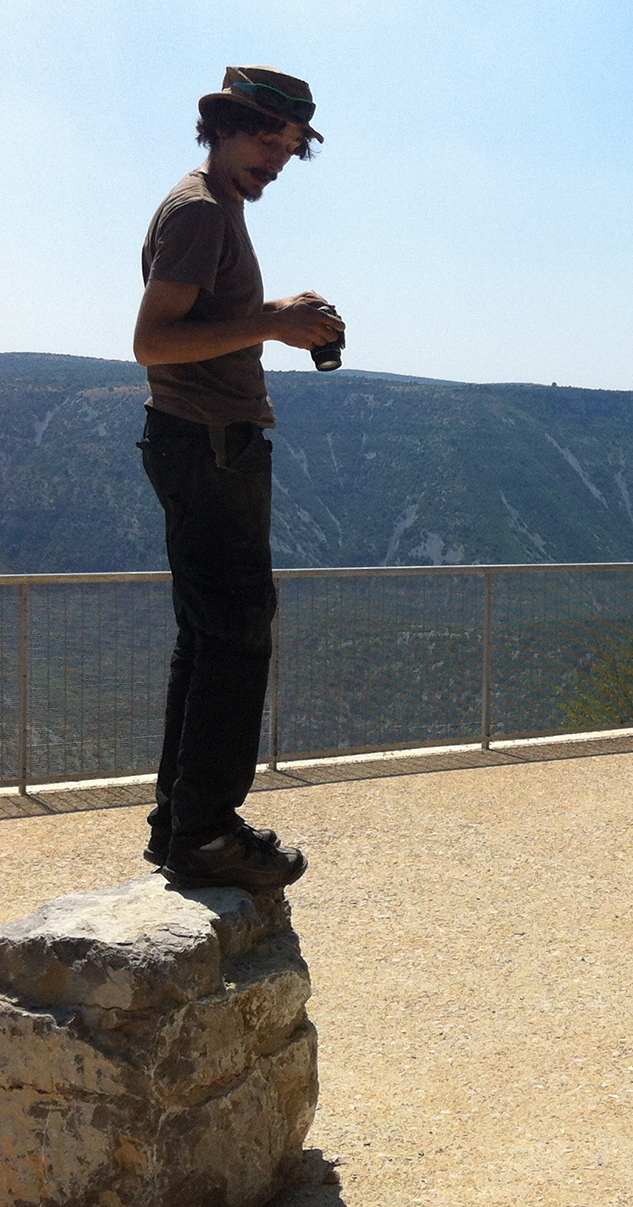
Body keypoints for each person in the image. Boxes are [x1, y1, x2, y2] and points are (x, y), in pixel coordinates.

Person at [132, 66, 344, 891]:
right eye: (267, 138)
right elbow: (153, 341)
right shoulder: (198, 213)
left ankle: (179, 822)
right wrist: (274, 323)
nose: (278, 159)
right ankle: (208, 832)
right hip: (208, 443)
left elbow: (202, 324)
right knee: (238, 632)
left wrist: (276, 313)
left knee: (209, 635)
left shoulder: (211, 207)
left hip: (203, 441)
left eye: (291, 149)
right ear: (221, 124)